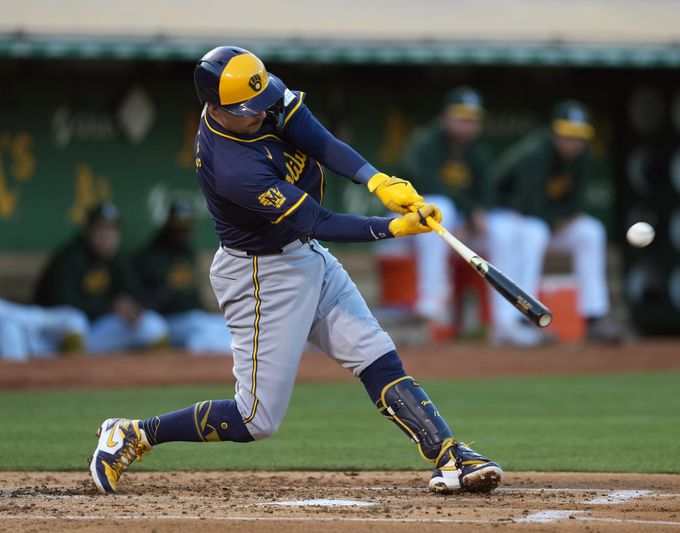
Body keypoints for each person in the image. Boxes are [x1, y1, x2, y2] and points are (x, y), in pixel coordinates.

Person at [88, 46, 502, 496]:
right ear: (214, 107)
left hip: (305, 255)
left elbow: (317, 138)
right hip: (262, 276)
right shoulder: (234, 169)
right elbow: (318, 220)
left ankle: (449, 454)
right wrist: (395, 228)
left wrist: (376, 179)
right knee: (254, 420)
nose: (261, 113)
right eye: (248, 111)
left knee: (374, 352)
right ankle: (134, 433)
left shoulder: (258, 90)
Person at [489, 100, 623, 345]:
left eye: (578, 136)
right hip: (508, 215)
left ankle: (595, 316)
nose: (573, 142)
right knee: (535, 232)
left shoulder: (581, 158)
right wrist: (559, 219)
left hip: (546, 220)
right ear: (553, 132)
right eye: (567, 135)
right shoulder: (535, 153)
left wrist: (563, 218)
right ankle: (520, 318)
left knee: (590, 231)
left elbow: (575, 203)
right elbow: (528, 204)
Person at [397, 87, 493, 339]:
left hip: (455, 225)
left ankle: (508, 318)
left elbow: (485, 194)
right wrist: (469, 213)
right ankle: (432, 300)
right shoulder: (425, 143)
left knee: (501, 232)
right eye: (461, 117)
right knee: (440, 206)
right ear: (445, 117)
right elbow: (428, 187)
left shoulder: (477, 153)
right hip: (405, 223)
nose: (467, 124)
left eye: (472, 119)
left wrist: (471, 220)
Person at [34, 202, 170, 353]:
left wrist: (132, 307)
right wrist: (109, 306)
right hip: (59, 332)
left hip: (95, 333)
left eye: (112, 230)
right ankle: (69, 369)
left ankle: (145, 374)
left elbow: (132, 291)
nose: (107, 236)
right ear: (88, 231)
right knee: (75, 323)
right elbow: (63, 304)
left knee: (152, 325)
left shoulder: (117, 260)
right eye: (101, 229)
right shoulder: (69, 259)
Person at [135, 199, 231, 353]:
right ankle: (192, 359)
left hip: (193, 317)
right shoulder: (154, 256)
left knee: (227, 327)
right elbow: (153, 300)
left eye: (187, 227)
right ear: (169, 227)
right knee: (203, 329)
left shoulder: (188, 253)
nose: (184, 232)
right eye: (179, 227)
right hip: (168, 321)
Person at [0, 298, 87, 361]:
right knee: (9, 327)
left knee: (75, 318)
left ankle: (74, 360)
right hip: (21, 345)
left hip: (45, 342)